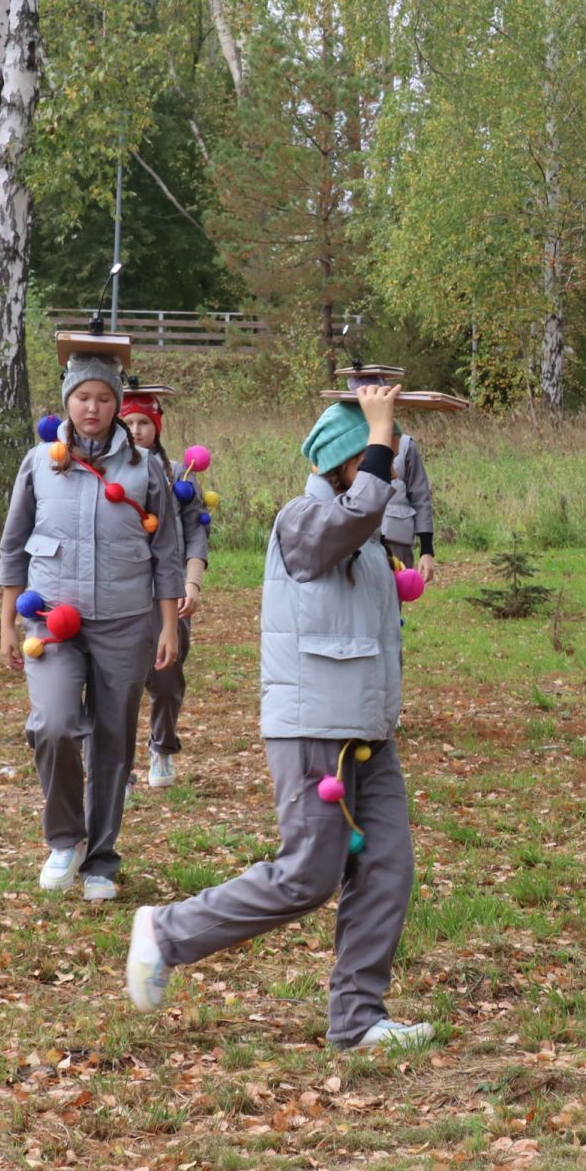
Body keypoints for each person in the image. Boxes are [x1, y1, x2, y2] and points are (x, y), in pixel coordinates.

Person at [126, 383, 432, 1052]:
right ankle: (165, 932)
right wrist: (379, 431)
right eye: (380, 452)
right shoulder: (305, 520)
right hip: (313, 726)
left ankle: (357, 1020)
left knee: (388, 867)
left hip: (366, 729)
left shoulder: (367, 528)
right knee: (307, 876)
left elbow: (375, 520)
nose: (393, 461)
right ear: (347, 462)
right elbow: (359, 512)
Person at [0, 341, 183, 902]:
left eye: (104, 397)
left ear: (118, 403)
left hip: (126, 623)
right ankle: (65, 840)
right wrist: (7, 621)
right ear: (67, 402)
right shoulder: (39, 464)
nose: (93, 408)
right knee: (52, 726)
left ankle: (101, 856)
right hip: (53, 622)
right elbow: (12, 547)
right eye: (82, 397)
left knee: (111, 740)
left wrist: (168, 625)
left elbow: (168, 553)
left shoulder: (145, 467)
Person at [120, 383, 209, 789]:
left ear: (156, 426)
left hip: (167, 592)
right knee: (117, 681)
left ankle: (162, 747)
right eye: (128, 422)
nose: (135, 430)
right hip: (121, 589)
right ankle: (114, 762)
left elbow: (195, 534)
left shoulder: (179, 476)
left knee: (167, 677)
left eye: (143, 422)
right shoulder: (105, 475)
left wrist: (192, 582)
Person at [383, 422, 438, 585]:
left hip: (396, 544)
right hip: (360, 543)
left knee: (392, 604)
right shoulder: (349, 444)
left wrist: (426, 551)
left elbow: (421, 499)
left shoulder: (406, 445)